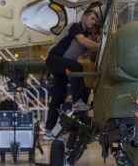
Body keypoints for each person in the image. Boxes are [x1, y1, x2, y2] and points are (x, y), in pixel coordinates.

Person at [43, 9, 100, 140]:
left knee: (58, 96)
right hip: (54, 59)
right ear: (84, 17)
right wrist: (100, 46)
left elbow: (86, 49)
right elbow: (82, 41)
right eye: (92, 18)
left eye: (95, 20)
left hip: (63, 64)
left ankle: (49, 131)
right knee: (77, 67)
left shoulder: (85, 34)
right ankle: (78, 100)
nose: (94, 22)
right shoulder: (76, 27)